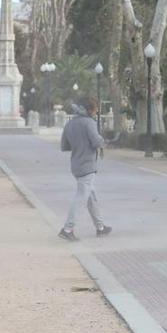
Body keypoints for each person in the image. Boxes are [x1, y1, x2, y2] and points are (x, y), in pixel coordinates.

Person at [58, 96, 111, 241]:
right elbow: (96, 141)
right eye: (95, 109)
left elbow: (64, 146)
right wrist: (104, 142)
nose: (97, 111)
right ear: (89, 109)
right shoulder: (89, 123)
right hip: (87, 166)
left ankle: (100, 227)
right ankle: (67, 229)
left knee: (90, 197)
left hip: (76, 164)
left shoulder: (70, 124)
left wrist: (79, 144)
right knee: (81, 197)